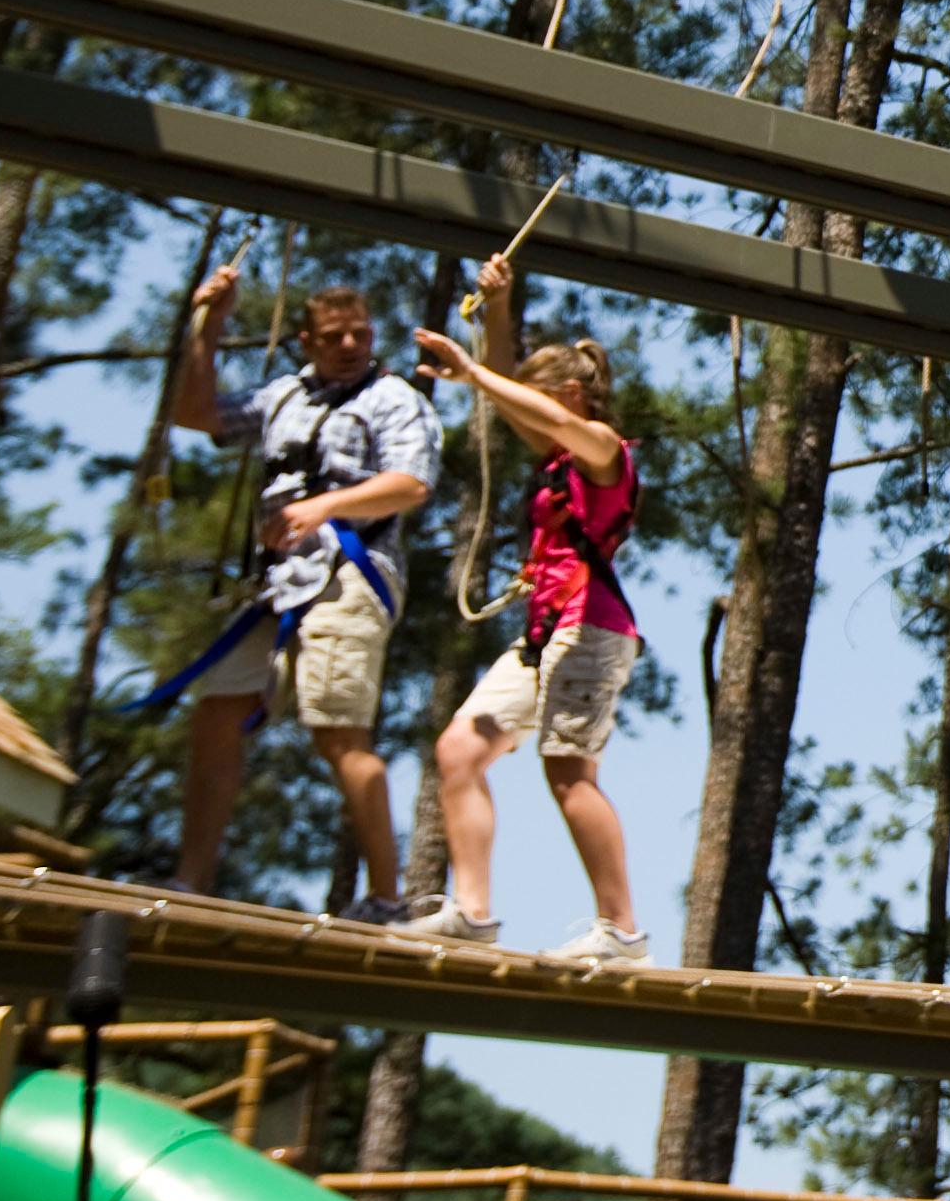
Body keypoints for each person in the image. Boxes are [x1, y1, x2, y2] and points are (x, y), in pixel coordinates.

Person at [157, 270, 437, 913]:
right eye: (335, 336)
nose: (349, 345)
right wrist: (211, 327)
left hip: (348, 573)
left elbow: (410, 484)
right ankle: (189, 879)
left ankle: (386, 898)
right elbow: (195, 412)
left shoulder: (392, 398)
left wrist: (324, 507)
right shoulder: (286, 395)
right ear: (307, 341)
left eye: (360, 334)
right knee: (217, 714)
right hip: (277, 584)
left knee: (338, 732)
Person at [397, 257, 649, 962]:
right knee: (458, 750)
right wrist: (498, 310)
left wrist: (477, 375)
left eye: (542, 404)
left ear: (571, 395)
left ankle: (622, 931)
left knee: (570, 772)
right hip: (546, 634)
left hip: (591, 628)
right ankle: (473, 912)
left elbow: (509, 394)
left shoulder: (605, 452)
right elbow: (510, 390)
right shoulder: (560, 460)